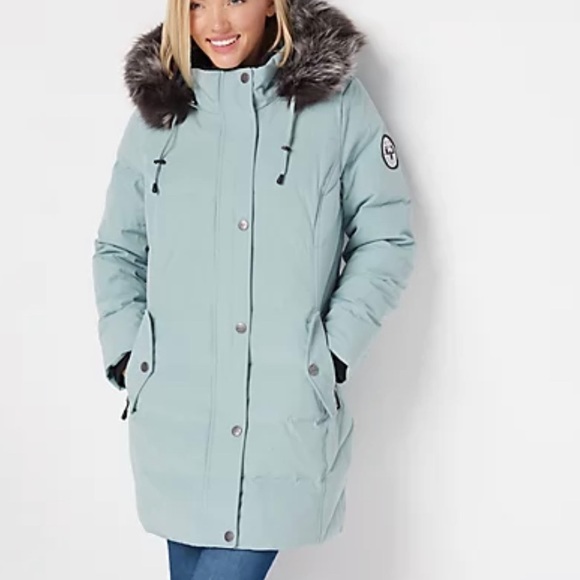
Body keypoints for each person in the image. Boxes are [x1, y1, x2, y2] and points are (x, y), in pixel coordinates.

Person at [91, 0, 416, 577]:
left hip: (279, 417)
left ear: (271, 5)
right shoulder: (159, 116)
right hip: (175, 422)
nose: (216, 23)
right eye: (197, 5)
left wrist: (332, 352)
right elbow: (119, 248)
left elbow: (386, 235)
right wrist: (129, 356)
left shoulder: (336, 106)